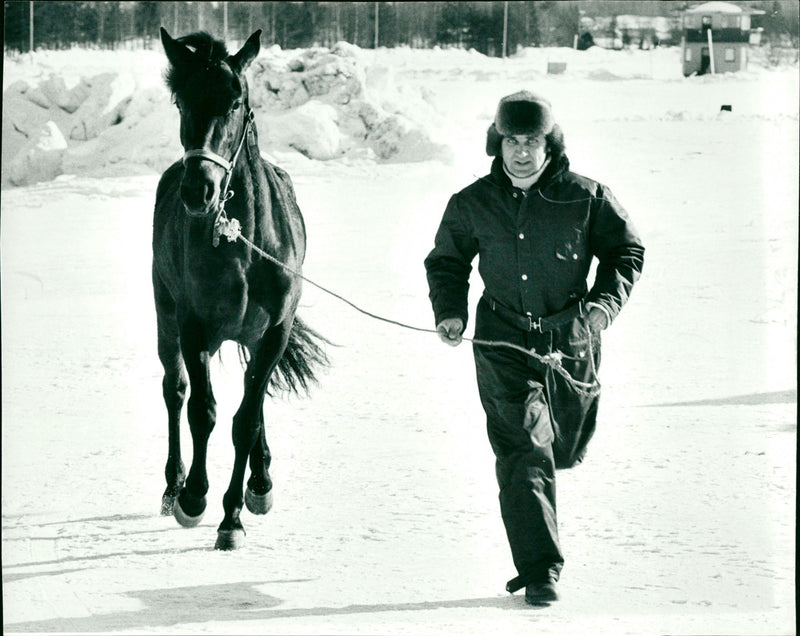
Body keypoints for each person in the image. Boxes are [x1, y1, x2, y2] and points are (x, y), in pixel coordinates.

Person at [424, 90, 644, 605]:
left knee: (561, 447)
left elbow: (625, 250)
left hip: (570, 339)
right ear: (497, 143)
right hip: (502, 339)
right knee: (524, 450)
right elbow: (447, 261)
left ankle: (554, 446)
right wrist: (450, 309)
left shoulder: (587, 197)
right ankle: (541, 567)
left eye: (533, 141)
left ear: (551, 143)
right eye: (512, 141)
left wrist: (604, 304)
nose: (522, 151)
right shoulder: (471, 203)